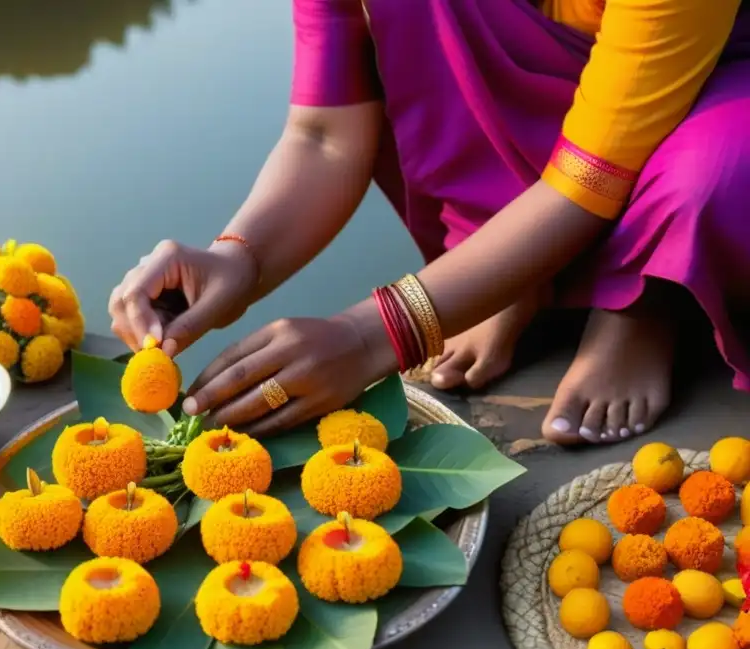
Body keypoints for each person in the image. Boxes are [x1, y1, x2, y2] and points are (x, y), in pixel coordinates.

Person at [108, 0, 750, 445]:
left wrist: (371, 335)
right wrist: (236, 259)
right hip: (570, 152)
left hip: (707, 94)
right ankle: (506, 260)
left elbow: (586, 183)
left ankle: (643, 302)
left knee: (719, 179)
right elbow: (326, 135)